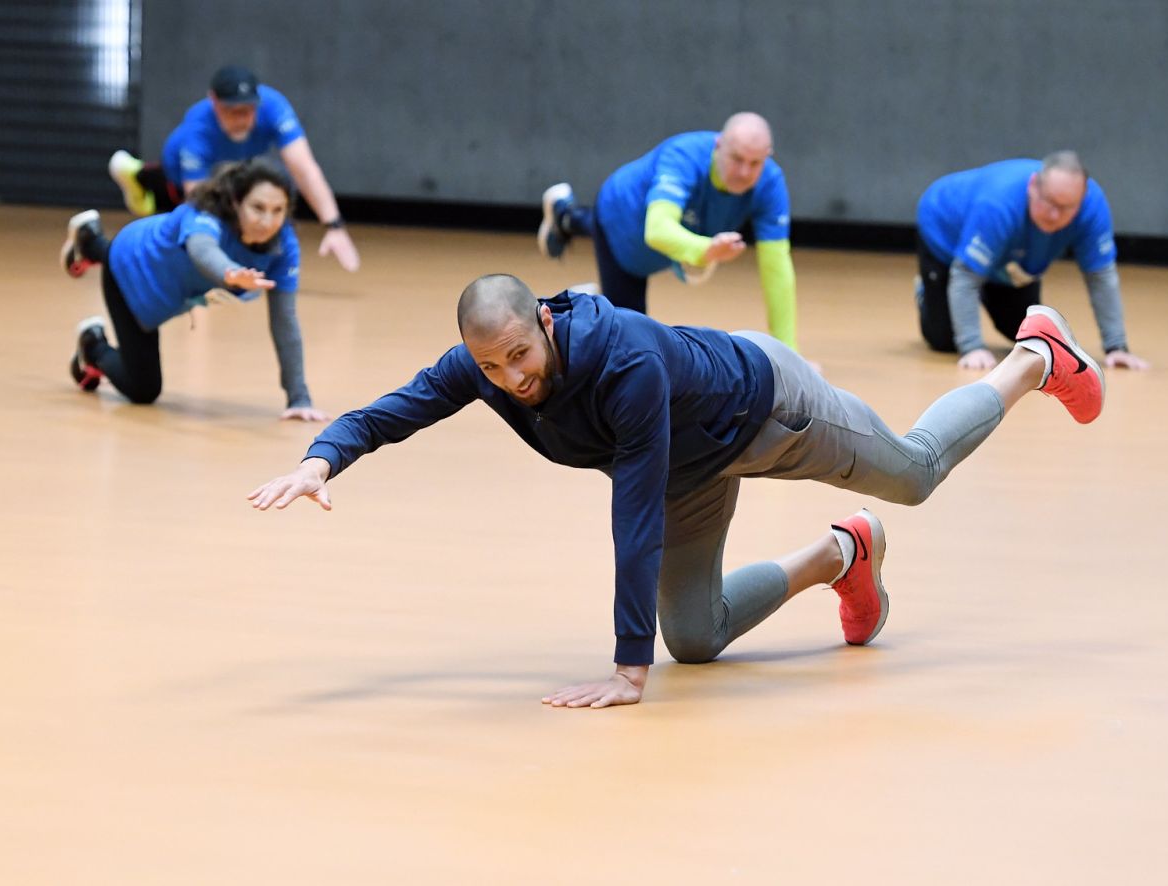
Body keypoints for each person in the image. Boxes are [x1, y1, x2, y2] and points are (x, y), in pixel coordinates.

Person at [249, 273, 1105, 709]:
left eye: (520, 354)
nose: (511, 376)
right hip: (693, 462)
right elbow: (395, 410)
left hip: (770, 407)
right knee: (695, 640)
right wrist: (320, 460)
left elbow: (636, 513)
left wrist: (627, 667)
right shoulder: (480, 366)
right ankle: (842, 552)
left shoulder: (623, 363)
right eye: (490, 365)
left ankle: (1036, 355)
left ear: (544, 322)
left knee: (915, 474)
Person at [59, 158, 326, 420]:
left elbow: (285, 321)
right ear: (236, 201)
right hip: (130, 267)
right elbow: (202, 250)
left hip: (167, 289)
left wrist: (299, 397)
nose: (267, 221)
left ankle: (90, 240)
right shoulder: (206, 213)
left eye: (278, 210)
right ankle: (93, 345)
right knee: (143, 390)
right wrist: (229, 273)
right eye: (258, 207)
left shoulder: (283, 246)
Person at [537, 112, 800, 350]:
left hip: (680, 233)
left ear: (768, 155)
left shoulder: (770, 183)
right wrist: (705, 249)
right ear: (718, 145)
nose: (744, 172)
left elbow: (776, 266)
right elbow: (657, 230)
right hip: (623, 220)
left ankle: (565, 215)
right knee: (628, 343)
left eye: (755, 163)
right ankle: (585, 305)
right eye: (737, 159)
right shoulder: (683, 156)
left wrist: (788, 354)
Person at [106, 64, 359, 272]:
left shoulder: (274, 107)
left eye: (247, 111)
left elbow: (304, 168)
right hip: (176, 178)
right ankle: (138, 179)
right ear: (213, 101)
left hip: (234, 171)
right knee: (173, 220)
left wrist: (334, 225)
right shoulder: (197, 131)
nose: (241, 119)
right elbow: (199, 201)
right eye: (232, 111)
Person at [915, 151, 1148, 371]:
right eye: (1050, 202)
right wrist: (972, 346)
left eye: (1066, 208)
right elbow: (965, 276)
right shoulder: (999, 204)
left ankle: (986, 282)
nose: (1055, 215)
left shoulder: (1093, 208)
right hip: (945, 234)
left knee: (1028, 338)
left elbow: (1101, 277)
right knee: (944, 340)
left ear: (1082, 198)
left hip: (1012, 258)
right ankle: (927, 291)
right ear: (1032, 186)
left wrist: (1116, 346)